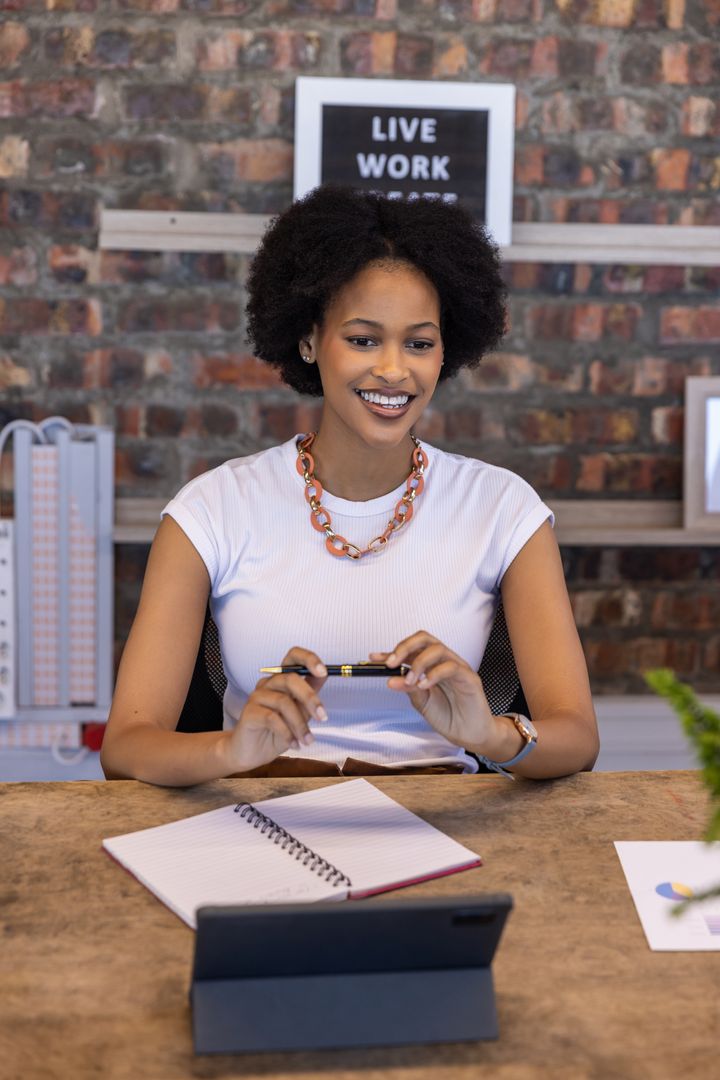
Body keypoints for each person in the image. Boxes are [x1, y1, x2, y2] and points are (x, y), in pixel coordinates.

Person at [101, 185, 599, 786]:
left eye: (419, 343)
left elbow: (576, 737)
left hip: (441, 824)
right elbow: (126, 745)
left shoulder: (503, 509)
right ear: (308, 340)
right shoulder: (211, 510)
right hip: (257, 818)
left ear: (447, 351)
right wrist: (231, 751)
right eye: (363, 339)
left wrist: (488, 734)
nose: (394, 369)